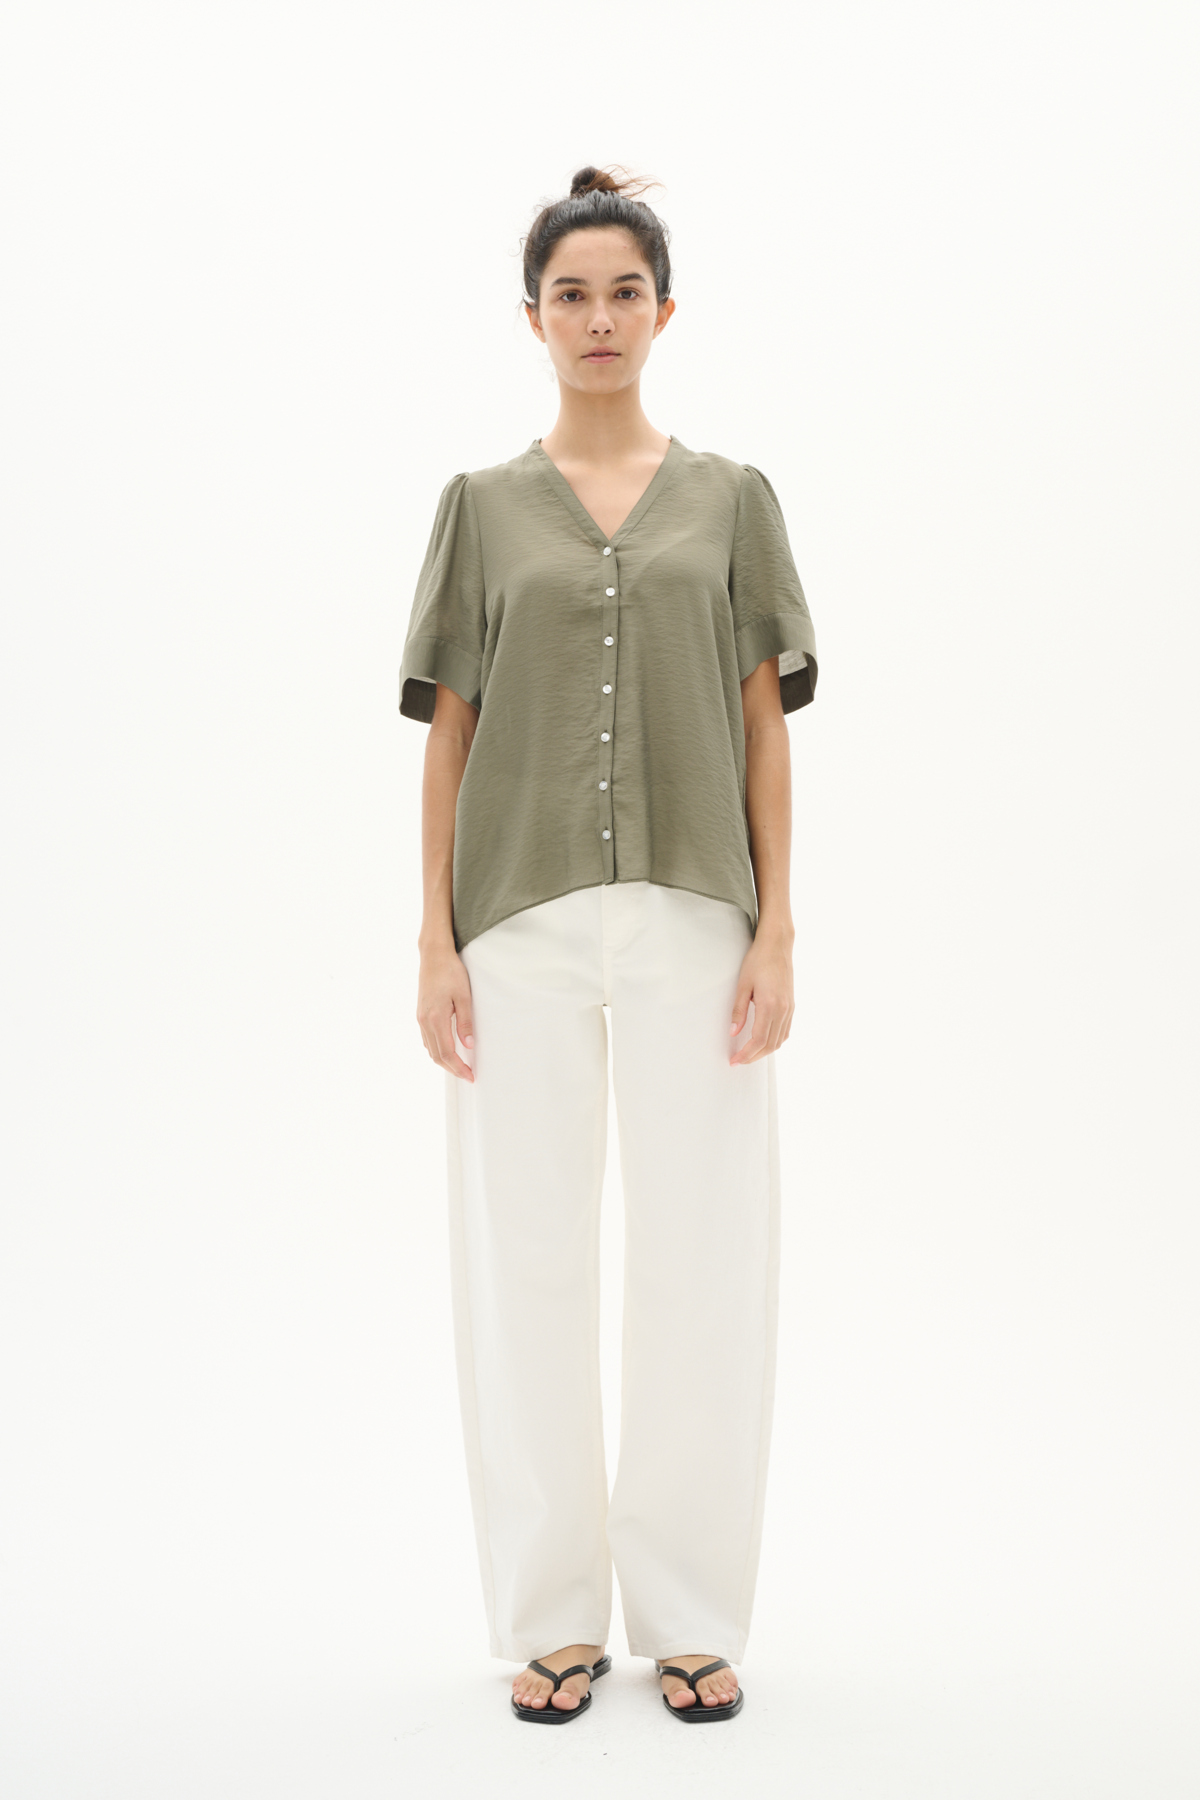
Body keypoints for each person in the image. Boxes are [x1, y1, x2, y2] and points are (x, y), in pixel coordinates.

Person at [398, 166, 818, 1724]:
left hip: (698, 918)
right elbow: (451, 732)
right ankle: (551, 1616)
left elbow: (762, 724)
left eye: (622, 292)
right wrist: (433, 939)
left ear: (663, 312)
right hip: (514, 925)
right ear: (532, 318)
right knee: (525, 1263)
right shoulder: (479, 508)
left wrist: (778, 925)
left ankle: (692, 1615)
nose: (597, 318)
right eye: (569, 294)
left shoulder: (734, 499)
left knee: (705, 1257)